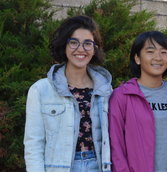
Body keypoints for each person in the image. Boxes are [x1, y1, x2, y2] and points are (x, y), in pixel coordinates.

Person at [24, 15, 112, 172]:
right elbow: (33, 144)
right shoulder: (41, 90)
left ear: (95, 48)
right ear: (64, 46)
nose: (80, 49)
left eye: (87, 43)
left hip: (98, 166)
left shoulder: (106, 90)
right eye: (73, 42)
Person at [108, 31, 167, 172]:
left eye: (164, 52)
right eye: (150, 51)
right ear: (137, 58)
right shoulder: (122, 96)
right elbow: (116, 146)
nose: (158, 58)